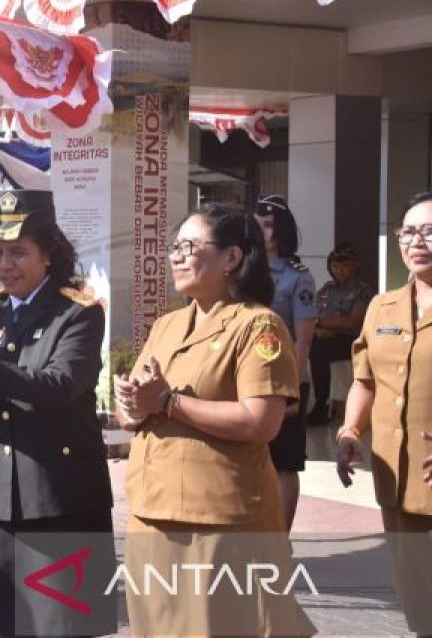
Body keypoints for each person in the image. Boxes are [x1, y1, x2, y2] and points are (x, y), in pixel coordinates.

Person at [116, 201, 314, 637]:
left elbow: (261, 422)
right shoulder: (166, 325)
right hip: (152, 511)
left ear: (232, 258)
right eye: (174, 246)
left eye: (189, 245)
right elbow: (136, 404)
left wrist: (168, 403)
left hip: (220, 522)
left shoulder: (259, 326)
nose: (176, 255)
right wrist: (130, 403)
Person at [0, 189, 116, 637]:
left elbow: (58, 387)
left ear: (49, 253)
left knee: (65, 627)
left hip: (61, 499)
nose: (4, 264)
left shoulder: (79, 313)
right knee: (5, 625)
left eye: (18, 252)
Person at [337, 190, 432, 636]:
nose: (418, 241)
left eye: (430, 231)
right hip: (396, 477)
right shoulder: (381, 306)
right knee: (417, 595)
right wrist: (351, 431)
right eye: (409, 232)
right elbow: (365, 380)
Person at [254, 194, 316, 530]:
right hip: (249, 379)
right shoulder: (243, 269)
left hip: (286, 379)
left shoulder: (297, 276)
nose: (259, 231)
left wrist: (291, 386)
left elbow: (304, 337)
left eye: (265, 225)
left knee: (284, 462)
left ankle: (280, 537)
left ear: (279, 232)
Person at [309, 242, 373, 425]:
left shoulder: (362, 291)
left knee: (318, 351)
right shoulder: (325, 290)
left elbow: (352, 321)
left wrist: (323, 325)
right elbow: (309, 315)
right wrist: (317, 329)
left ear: (355, 266)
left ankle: (322, 405)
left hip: (350, 340)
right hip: (321, 336)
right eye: (335, 266)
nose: (340, 271)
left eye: (345, 266)